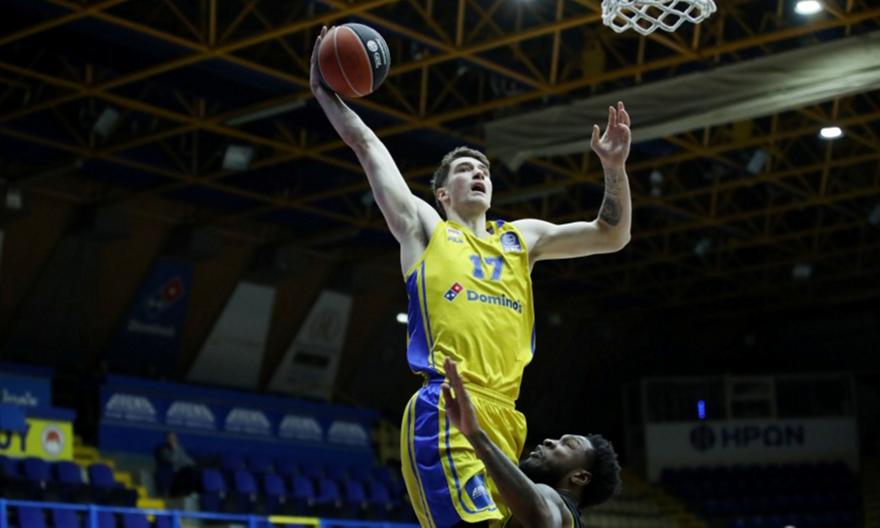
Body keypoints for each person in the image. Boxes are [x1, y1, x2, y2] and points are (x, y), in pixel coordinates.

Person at [310, 26, 632, 527]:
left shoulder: (522, 238)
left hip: (506, 416)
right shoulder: (425, 229)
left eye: (483, 171)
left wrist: (614, 167)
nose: (478, 174)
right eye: (464, 169)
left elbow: (611, 234)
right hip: (448, 405)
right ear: (442, 193)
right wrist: (322, 92)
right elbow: (367, 145)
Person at [442, 358, 621, 528]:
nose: (549, 441)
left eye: (568, 444)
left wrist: (476, 436)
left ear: (580, 477)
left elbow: (542, 518)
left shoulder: (554, 501)